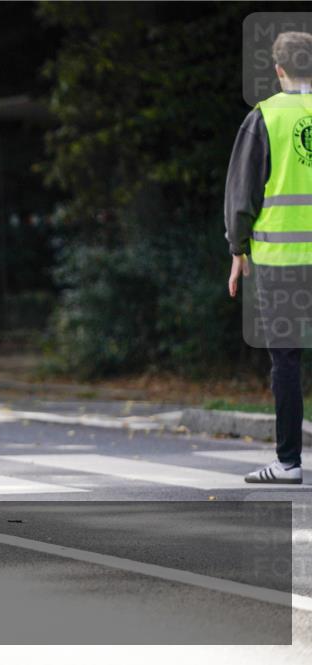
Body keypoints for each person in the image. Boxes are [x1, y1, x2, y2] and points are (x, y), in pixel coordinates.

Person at [226, 32, 312, 484]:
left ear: (279, 70)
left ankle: (288, 463)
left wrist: (238, 249)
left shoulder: (265, 117)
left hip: (281, 260)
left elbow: (242, 196)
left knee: (287, 360)